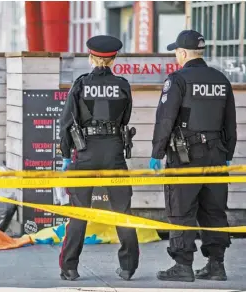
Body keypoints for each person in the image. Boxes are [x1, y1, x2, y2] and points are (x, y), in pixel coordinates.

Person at [149, 30, 237, 282]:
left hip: (185, 157)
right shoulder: (221, 80)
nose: (176, 56)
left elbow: (165, 119)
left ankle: (183, 265)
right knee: (214, 210)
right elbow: (230, 123)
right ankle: (216, 265)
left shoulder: (178, 79)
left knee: (181, 209)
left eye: (176, 51)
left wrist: (157, 152)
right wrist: (227, 153)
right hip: (217, 155)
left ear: (183, 53)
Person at [58, 35, 139, 281]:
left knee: (79, 212)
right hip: (114, 152)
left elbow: (66, 123)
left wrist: (65, 155)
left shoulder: (81, 84)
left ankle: (69, 267)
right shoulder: (123, 85)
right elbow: (125, 119)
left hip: (85, 152)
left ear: (91, 57)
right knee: (122, 211)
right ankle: (128, 267)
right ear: (114, 58)